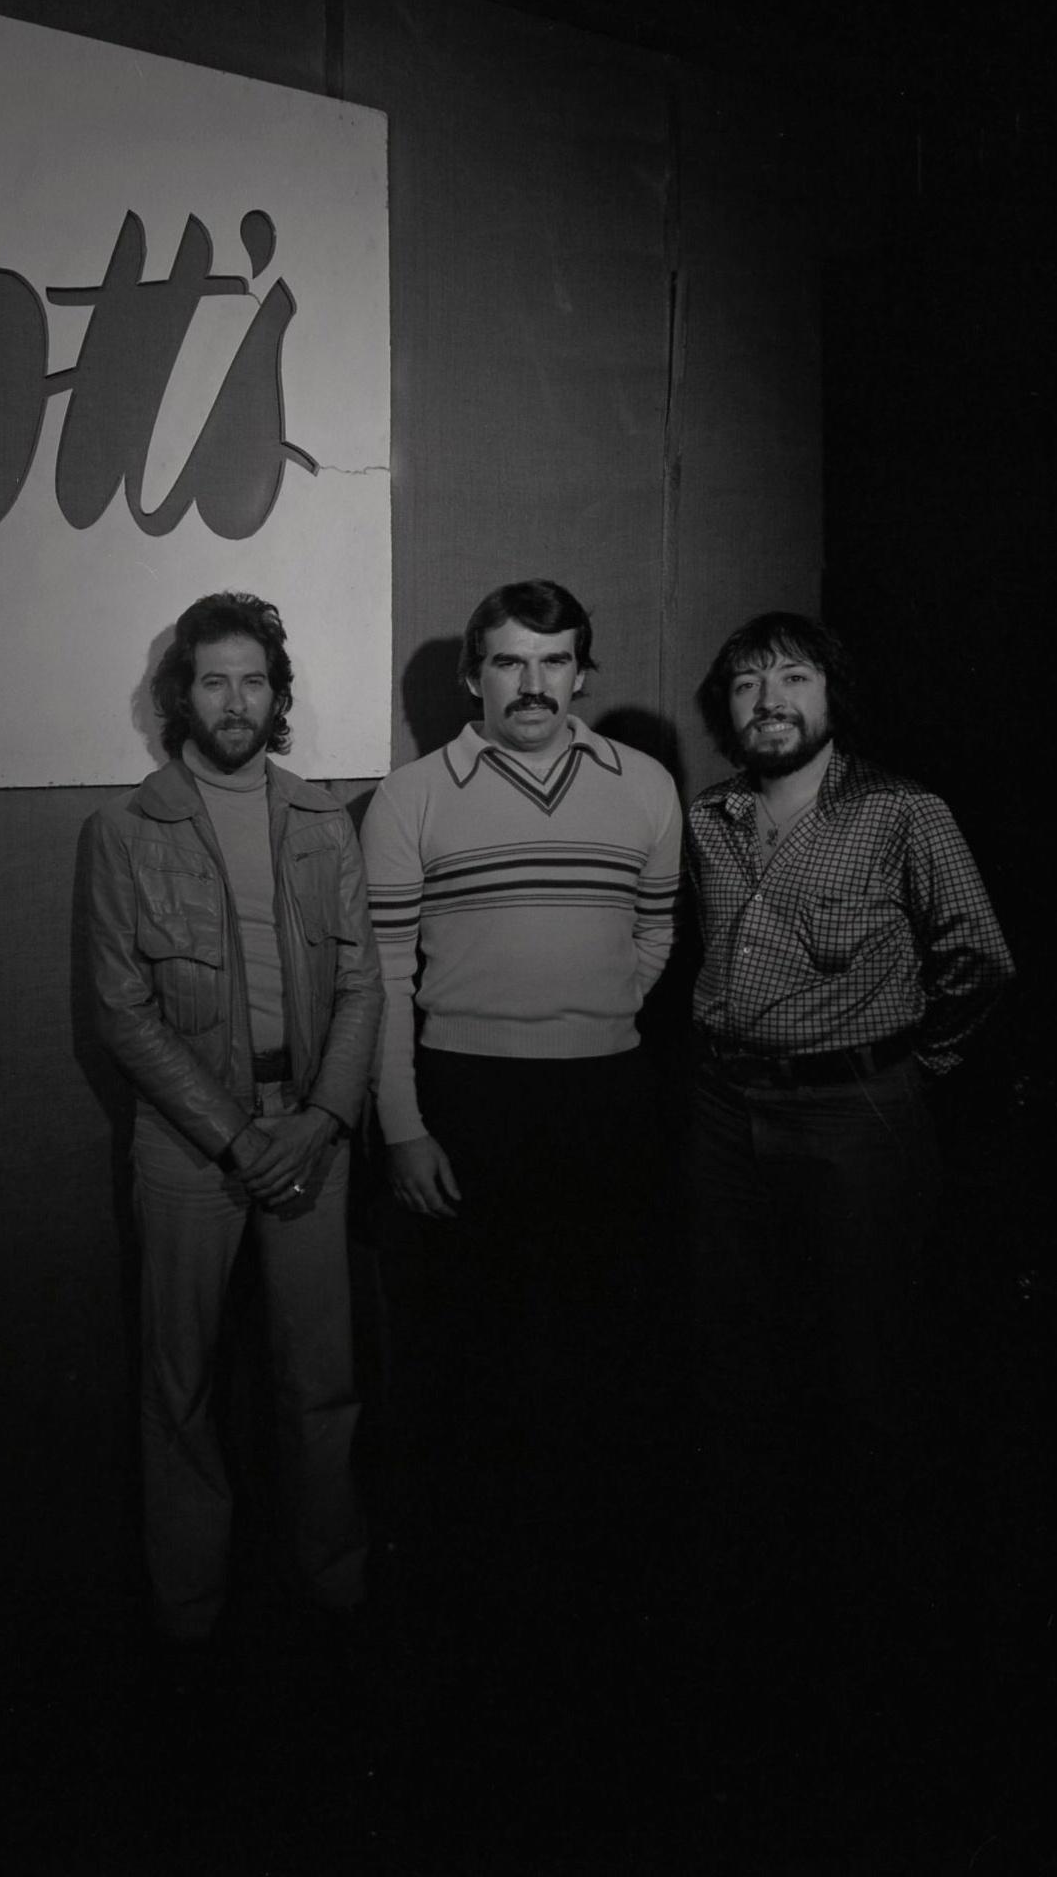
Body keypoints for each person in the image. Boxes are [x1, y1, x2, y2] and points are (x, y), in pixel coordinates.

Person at [680, 610, 1014, 1772]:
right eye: (746, 682)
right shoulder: (707, 819)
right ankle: (762, 1640)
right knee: (740, 1366)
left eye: (795, 677)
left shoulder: (900, 811)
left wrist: (918, 1067)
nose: (769, 698)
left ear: (833, 694)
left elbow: (978, 954)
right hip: (727, 1114)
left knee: (872, 1370)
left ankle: (882, 1651)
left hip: (859, 1111)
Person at [356, 578, 683, 1698]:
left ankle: (590, 1625)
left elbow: (656, 932)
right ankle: (470, 1633)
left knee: (599, 1362)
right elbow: (387, 981)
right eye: (508, 661)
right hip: (464, 1102)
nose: (532, 684)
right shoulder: (411, 797)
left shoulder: (644, 785)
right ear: (471, 677)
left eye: (553, 661)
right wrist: (403, 1126)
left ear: (582, 671)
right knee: (467, 1372)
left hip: (607, 1102)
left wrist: (586, 1016)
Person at [84, 591, 383, 1648]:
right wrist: (234, 1134)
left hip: (309, 1130)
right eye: (214, 677)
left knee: (322, 1378)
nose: (236, 697)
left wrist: (324, 1116)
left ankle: (336, 1590)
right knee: (182, 1386)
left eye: (254, 678)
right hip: (186, 1144)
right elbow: (121, 1009)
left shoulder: (317, 815)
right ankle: (189, 1617)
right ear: (182, 695)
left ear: (278, 693)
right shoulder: (126, 827)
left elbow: (361, 983)